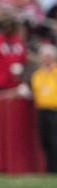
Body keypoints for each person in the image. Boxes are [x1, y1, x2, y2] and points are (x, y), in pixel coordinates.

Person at [30, 43, 57, 173]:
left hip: (54, 110)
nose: (46, 59)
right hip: (42, 110)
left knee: (54, 140)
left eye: (48, 56)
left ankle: (53, 168)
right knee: (44, 140)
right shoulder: (38, 74)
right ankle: (49, 168)